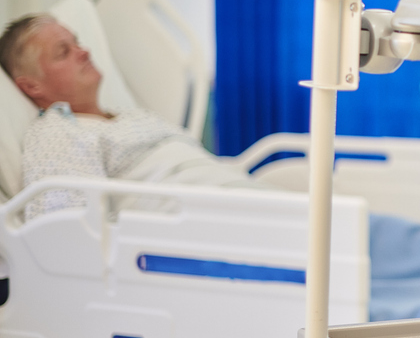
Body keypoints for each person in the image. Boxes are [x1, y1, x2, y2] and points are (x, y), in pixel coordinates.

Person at [0, 14, 259, 217]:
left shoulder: (131, 116)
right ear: (32, 85)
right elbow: (67, 226)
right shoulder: (58, 133)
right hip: (207, 218)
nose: (84, 51)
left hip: (234, 196)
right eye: (63, 52)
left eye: (77, 42)